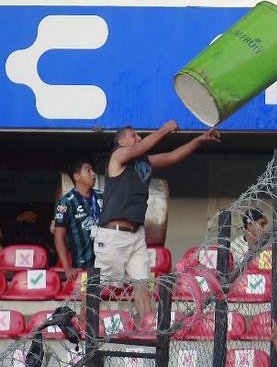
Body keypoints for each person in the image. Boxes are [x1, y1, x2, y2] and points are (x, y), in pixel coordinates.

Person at [96, 123, 220, 322]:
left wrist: (198, 140)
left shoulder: (143, 162)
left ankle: (148, 327)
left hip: (137, 234)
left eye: (139, 135)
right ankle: (81, 324)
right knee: (99, 286)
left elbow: (173, 156)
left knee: (142, 284)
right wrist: (165, 129)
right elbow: (140, 148)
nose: (138, 138)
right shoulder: (117, 155)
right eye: (133, 135)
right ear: (121, 141)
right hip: (113, 234)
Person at [54, 160, 102, 282]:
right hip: (83, 264)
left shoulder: (102, 196)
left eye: (93, 170)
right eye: (88, 170)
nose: (93, 173)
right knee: (90, 299)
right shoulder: (66, 202)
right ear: (77, 177)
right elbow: (59, 236)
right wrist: (67, 267)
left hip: (105, 261)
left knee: (109, 298)